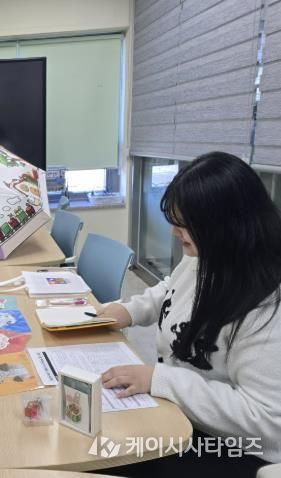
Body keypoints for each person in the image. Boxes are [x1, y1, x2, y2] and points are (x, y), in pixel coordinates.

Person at [98, 152, 281, 477]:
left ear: (227, 225)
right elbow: (171, 289)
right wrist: (127, 311)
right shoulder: (207, 257)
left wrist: (162, 380)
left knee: (113, 453)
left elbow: (267, 420)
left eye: (185, 224)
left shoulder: (267, 306)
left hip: (234, 446)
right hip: (182, 414)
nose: (173, 232)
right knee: (99, 432)